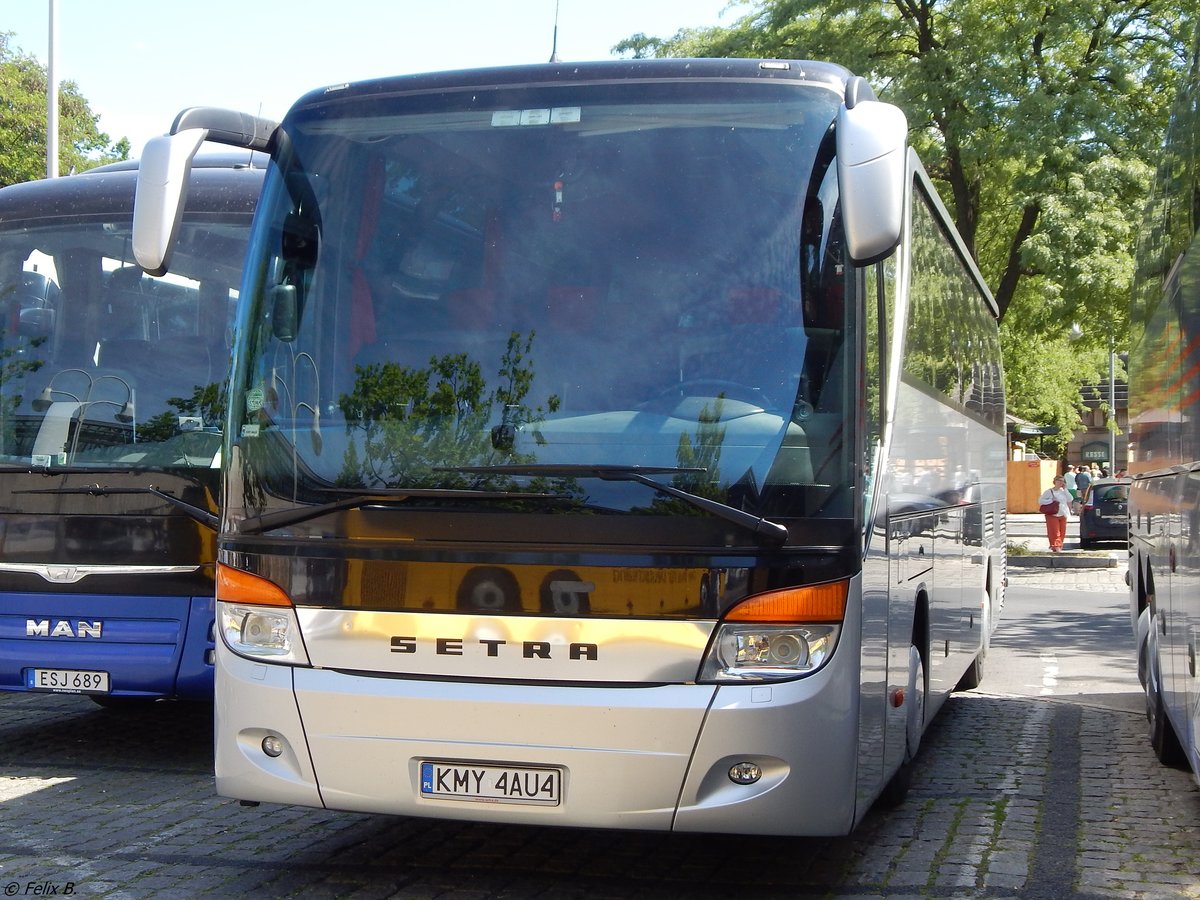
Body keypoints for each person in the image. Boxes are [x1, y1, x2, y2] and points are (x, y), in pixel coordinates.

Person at [1038, 475, 1073, 552]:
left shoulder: (1063, 491)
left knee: (1062, 532)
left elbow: (1070, 499)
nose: (1061, 482)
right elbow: (1040, 501)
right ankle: (1056, 547)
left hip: (1063, 514)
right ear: (1055, 482)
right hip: (1053, 514)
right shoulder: (1049, 491)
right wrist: (1051, 500)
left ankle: (1058, 546)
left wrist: (1065, 489)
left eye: (1063, 481)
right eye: (1059, 481)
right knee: (1055, 532)